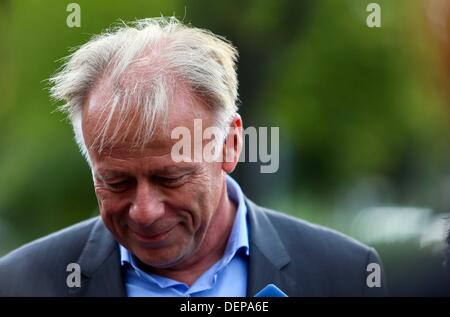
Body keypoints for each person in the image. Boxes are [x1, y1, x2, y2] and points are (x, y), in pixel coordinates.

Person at [0, 17, 386, 297]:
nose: (145, 211)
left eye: (171, 177)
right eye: (116, 182)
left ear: (230, 145)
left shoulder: (346, 276)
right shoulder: (20, 283)